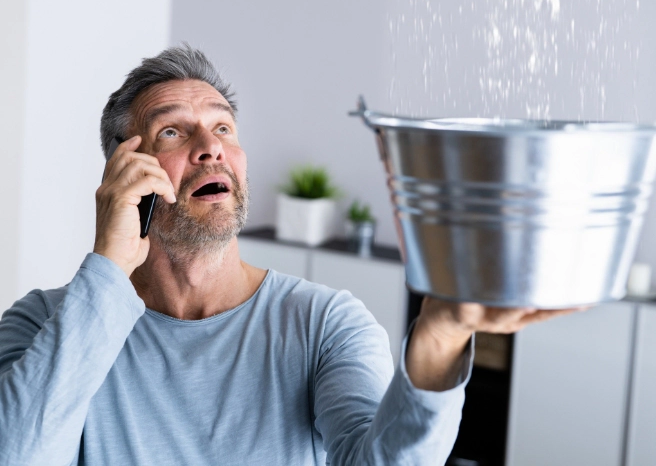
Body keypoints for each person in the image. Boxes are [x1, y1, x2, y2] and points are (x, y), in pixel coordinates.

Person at [0, 46, 573, 465]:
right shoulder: (43, 324)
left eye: (223, 127)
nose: (211, 148)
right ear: (124, 173)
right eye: (173, 133)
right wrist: (108, 265)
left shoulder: (326, 324)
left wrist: (441, 336)